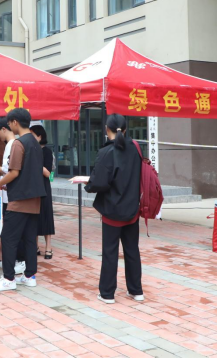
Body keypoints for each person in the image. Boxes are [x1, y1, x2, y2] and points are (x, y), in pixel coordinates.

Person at [76, 114, 144, 305]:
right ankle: (136, 291)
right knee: (132, 250)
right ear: (126, 129)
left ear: (107, 129)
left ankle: (107, 294)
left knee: (110, 252)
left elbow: (99, 182)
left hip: (112, 209)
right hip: (132, 208)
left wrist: (87, 183)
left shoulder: (107, 152)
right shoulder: (136, 148)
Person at [0, 109, 46, 292]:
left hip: (19, 200)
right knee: (29, 239)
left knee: (8, 237)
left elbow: (14, 172)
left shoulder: (18, 144)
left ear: (14, 122)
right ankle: (29, 276)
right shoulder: (35, 142)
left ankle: (8, 278)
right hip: (35, 199)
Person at [0, 117, 26, 275]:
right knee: (11, 230)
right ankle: (13, 259)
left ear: (4, 129)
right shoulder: (12, 144)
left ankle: (19, 261)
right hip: (9, 193)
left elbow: (12, 171)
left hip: (13, 195)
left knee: (13, 231)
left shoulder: (12, 144)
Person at [30, 125, 55, 260]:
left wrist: (35, 161)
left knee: (46, 216)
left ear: (39, 136)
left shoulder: (47, 152)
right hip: (33, 187)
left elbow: (47, 173)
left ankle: (48, 247)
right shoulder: (31, 150)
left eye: (32, 135)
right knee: (34, 217)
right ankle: (35, 246)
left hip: (44, 187)